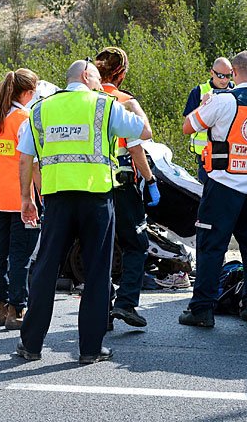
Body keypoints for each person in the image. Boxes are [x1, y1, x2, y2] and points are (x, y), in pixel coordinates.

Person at [15, 58, 152, 364]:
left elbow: (25, 159)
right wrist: (132, 104)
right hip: (96, 199)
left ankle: (31, 345)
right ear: (87, 76)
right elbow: (143, 131)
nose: (99, 82)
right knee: (97, 272)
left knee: (45, 270)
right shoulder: (104, 106)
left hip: (57, 199)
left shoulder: (40, 110)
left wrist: (27, 199)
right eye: (96, 77)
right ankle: (90, 349)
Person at [179, 51, 247, 327]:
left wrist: (204, 103)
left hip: (222, 185)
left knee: (211, 247)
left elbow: (188, 126)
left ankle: (201, 310)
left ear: (233, 72)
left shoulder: (223, 101)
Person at [95, 47, 160, 330]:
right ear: (121, 73)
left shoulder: (87, 100)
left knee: (99, 248)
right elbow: (137, 144)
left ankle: (101, 308)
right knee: (136, 244)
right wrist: (152, 180)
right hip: (122, 187)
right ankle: (125, 304)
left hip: (91, 186)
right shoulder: (122, 101)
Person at [0, 68, 42, 330]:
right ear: (25, 93)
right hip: (22, 198)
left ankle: (1, 308)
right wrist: (41, 194)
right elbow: (31, 162)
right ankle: (17, 308)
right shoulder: (23, 118)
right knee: (20, 256)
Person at [183, 57, 234, 183]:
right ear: (212, 73)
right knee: (206, 194)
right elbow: (187, 122)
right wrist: (204, 106)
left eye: (228, 76)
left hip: (230, 154)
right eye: (221, 75)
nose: (224, 80)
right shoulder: (199, 92)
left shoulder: (236, 91)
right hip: (206, 155)